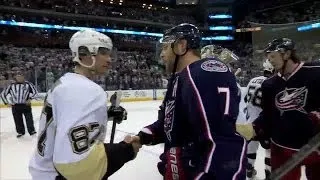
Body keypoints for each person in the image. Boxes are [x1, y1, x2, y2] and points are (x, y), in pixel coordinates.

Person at [128, 23, 247, 180]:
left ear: (181, 46)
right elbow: (171, 123)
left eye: (165, 48)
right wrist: (143, 137)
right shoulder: (180, 78)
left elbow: (221, 142)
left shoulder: (204, 72)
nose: (162, 55)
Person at [29, 29, 141, 180]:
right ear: (83, 54)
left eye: (109, 54)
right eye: (103, 53)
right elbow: (77, 163)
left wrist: (106, 113)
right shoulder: (86, 89)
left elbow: (65, 119)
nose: (109, 59)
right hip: (59, 175)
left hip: (44, 170)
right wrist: (125, 150)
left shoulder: (66, 83)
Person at [253, 38, 320, 180]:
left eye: (272, 56)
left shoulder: (315, 72)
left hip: (315, 146)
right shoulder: (269, 84)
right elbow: (268, 114)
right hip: (282, 147)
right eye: (268, 56)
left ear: (287, 54)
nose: (269, 60)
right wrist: (257, 129)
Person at [243, 60, 274, 179]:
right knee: (269, 151)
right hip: (265, 124)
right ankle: (268, 174)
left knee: (251, 148)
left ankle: (249, 171)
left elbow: (246, 99)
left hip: (250, 121)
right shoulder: (273, 82)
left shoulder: (252, 80)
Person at [0, 72, 37, 138]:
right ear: (15, 77)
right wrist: (6, 103)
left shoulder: (28, 84)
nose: (19, 77)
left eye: (21, 76)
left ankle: (31, 131)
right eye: (18, 76)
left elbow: (35, 93)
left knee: (29, 119)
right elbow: (3, 94)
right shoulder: (11, 85)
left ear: (23, 77)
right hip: (15, 105)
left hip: (26, 105)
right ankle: (20, 132)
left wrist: (30, 99)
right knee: (17, 119)